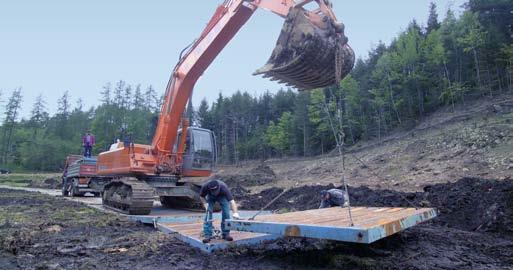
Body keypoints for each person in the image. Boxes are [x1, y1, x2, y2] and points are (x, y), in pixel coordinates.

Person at [199, 178, 240, 243]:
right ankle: (207, 235)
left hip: (222, 196)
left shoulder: (224, 188)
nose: (214, 193)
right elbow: (201, 196)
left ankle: (225, 234)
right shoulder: (205, 187)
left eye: (215, 191)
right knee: (208, 213)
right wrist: (205, 204)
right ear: (209, 189)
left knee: (226, 213)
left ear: (219, 188)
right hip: (210, 197)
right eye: (213, 191)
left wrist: (235, 212)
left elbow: (232, 202)